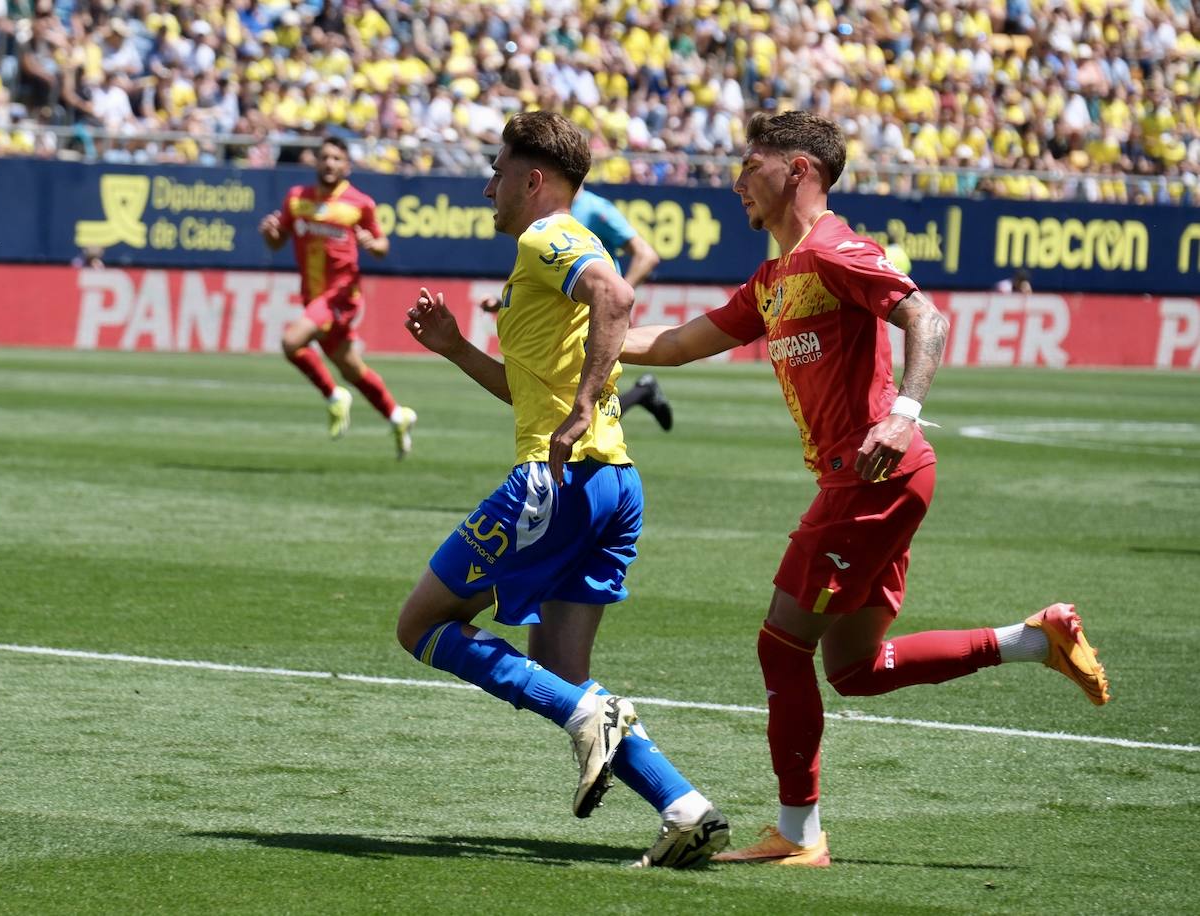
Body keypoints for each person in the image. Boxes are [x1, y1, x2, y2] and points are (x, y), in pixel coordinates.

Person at [620, 110, 1110, 867]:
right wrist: (580, 342)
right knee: (854, 669)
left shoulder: (836, 251)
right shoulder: (775, 277)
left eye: (751, 164)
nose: (736, 180)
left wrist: (904, 413)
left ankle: (798, 835)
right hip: (871, 481)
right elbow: (678, 344)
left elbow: (926, 317)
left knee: (781, 647)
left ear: (799, 170)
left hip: (872, 475)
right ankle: (1034, 639)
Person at [398, 111, 730, 869]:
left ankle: (590, 716)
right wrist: (456, 349)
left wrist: (581, 406)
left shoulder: (547, 235)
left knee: (420, 625)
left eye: (497, 171)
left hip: (560, 480)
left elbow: (617, 298)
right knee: (563, 672)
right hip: (612, 483)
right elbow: (527, 392)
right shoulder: (541, 258)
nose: (488, 187)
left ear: (533, 179)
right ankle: (685, 807)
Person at [259, 135, 418, 459]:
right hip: (313, 296)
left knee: (292, 343)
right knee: (351, 368)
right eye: (325, 157)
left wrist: (372, 244)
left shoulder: (360, 203)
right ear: (316, 162)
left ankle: (333, 397)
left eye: (336, 158)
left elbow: (382, 245)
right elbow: (278, 242)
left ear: (347, 166)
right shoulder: (296, 198)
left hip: (340, 296)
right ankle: (396, 415)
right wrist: (270, 233)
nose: (330, 163)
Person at [571, 188, 674, 432]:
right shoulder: (556, 210)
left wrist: (616, 300)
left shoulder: (595, 208)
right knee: (582, 405)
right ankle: (643, 392)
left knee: (583, 406)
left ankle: (643, 392)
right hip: (569, 315)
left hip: (594, 315)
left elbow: (646, 255)